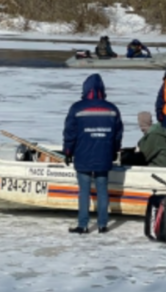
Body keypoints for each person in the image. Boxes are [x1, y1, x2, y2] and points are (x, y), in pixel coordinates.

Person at [63, 73, 123, 234]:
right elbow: (118, 133)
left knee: (84, 191)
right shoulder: (112, 109)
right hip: (104, 154)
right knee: (102, 190)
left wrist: (68, 151)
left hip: (83, 155)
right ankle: (103, 225)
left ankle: (83, 225)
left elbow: (70, 133)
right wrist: (114, 150)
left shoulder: (77, 108)